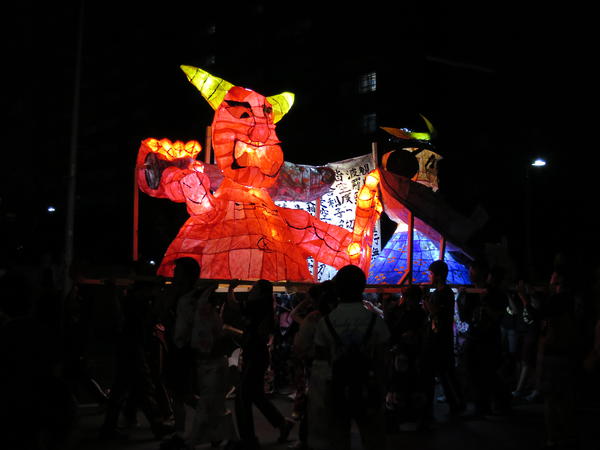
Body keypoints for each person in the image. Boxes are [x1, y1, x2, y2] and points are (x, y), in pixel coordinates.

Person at [310, 265, 390, 450]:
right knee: (372, 439)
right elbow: (382, 360)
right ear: (362, 287)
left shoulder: (326, 322)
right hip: (367, 388)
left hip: (337, 389)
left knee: (338, 438)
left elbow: (320, 367)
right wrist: (382, 389)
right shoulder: (375, 322)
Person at [227, 279, 295, 450]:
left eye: (254, 287)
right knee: (256, 395)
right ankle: (282, 424)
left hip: (255, 355)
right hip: (257, 354)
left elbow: (234, 305)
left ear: (260, 292)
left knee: (243, 397)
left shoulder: (257, 304)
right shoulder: (263, 305)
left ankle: (248, 439)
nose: (251, 289)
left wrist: (230, 289)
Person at [289, 280, 337, 449]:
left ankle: (306, 439)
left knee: (313, 404)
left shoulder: (314, 318)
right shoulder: (339, 316)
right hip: (339, 367)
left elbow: (300, 345)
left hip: (317, 367)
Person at [421, 260, 465, 426]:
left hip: (441, 338)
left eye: (431, 274)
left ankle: (456, 403)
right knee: (444, 372)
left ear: (438, 276)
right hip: (437, 336)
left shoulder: (445, 293)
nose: (429, 277)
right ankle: (455, 403)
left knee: (444, 372)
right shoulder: (439, 293)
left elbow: (434, 311)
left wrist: (425, 297)